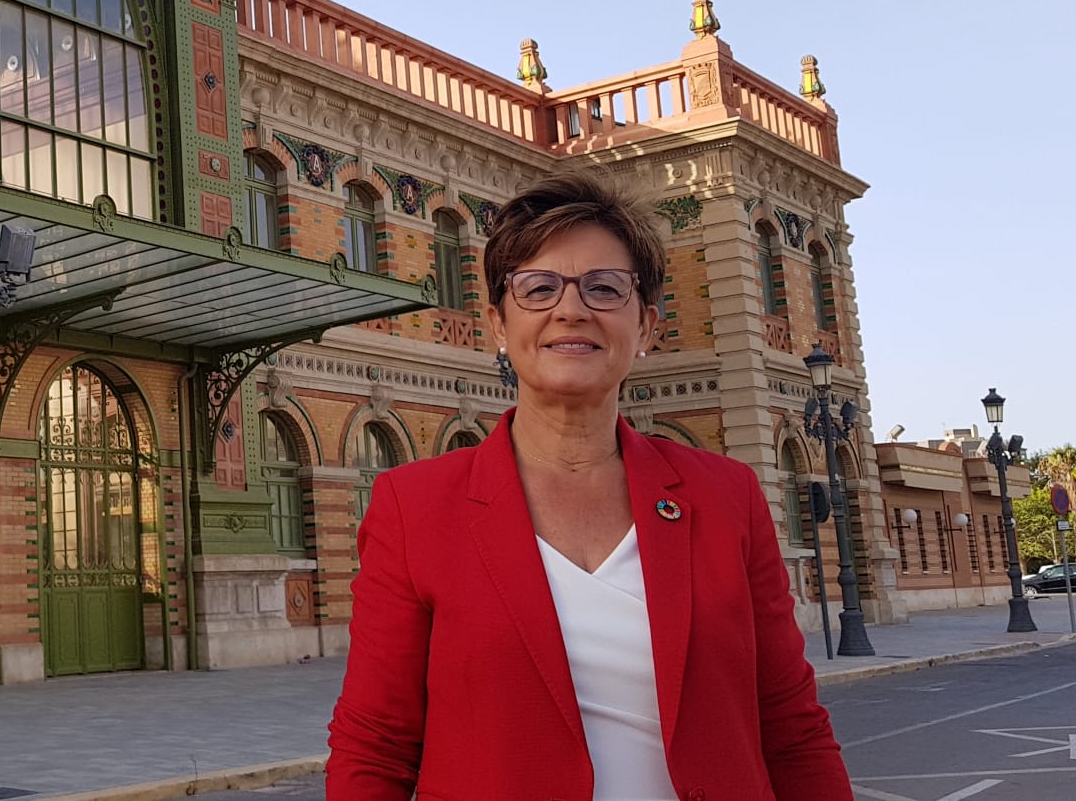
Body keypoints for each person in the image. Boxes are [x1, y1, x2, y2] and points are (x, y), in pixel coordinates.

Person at [327, 172, 852, 800]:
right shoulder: (414, 507)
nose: (570, 309)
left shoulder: (725, 497)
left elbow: (791, 730)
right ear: (497, 323)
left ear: (647, 327)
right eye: (538, 287)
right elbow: (375, 746)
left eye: (604, 288)